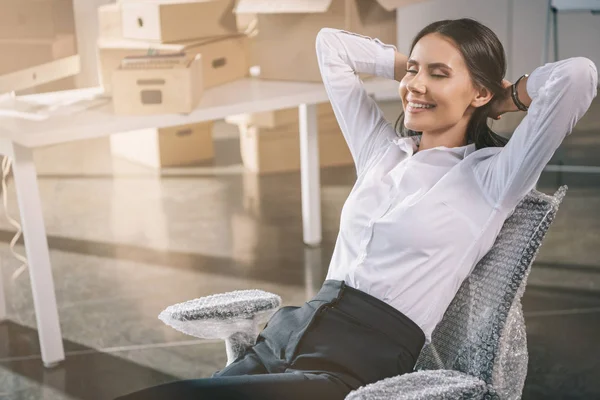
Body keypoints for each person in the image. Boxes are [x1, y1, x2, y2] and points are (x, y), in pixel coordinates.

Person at [116, 18, 597, 400]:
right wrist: (419, 70)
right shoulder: (381, 151)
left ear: (479, 93)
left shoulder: (493, 178)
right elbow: (332, 47)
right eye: (413, 71)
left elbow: (578, 76)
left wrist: (505, 98)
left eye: (439, 74)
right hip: (283, 338)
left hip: (349, 370)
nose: (415, 86)